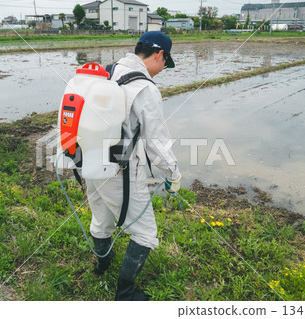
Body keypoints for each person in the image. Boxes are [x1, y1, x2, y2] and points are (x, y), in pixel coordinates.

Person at [86, 31, 181, 301]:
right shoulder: (145, 88)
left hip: (89, 160)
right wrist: (173, 172)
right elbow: (157, 143)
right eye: (165, 63)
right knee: (146, 233)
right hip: (120, 170)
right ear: (159, 54)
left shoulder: (107, 72)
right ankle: (125, 294)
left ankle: (102, 265)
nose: (163, 69)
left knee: (101, 219)